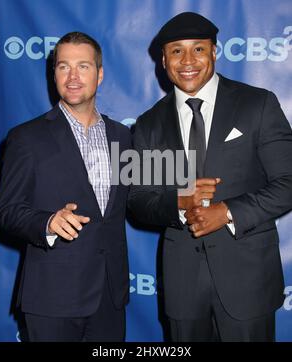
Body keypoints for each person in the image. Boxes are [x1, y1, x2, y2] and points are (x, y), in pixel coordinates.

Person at [128, 12, 292, 342]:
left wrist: (228, 211)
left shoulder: (257, 104)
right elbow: (137, 201)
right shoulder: (149, 124)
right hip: (183, 287)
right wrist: (178, 201)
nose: (187, 60)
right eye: (176, 51)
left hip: (248, 281)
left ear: (214, 52)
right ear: (163, 60)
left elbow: (288, 182)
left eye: (198, 49)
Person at [0, 32, 131, 342]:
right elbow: (7, 212)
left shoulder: (123, 137)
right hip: (51, 298)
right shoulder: (26, 138)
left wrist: (184, 192)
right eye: (63, 66)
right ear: (53, 73)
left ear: (99, 74)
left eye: (83, 66)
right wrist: (47, 221)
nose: (72, 76)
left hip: (109, 297)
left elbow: (138, 196)